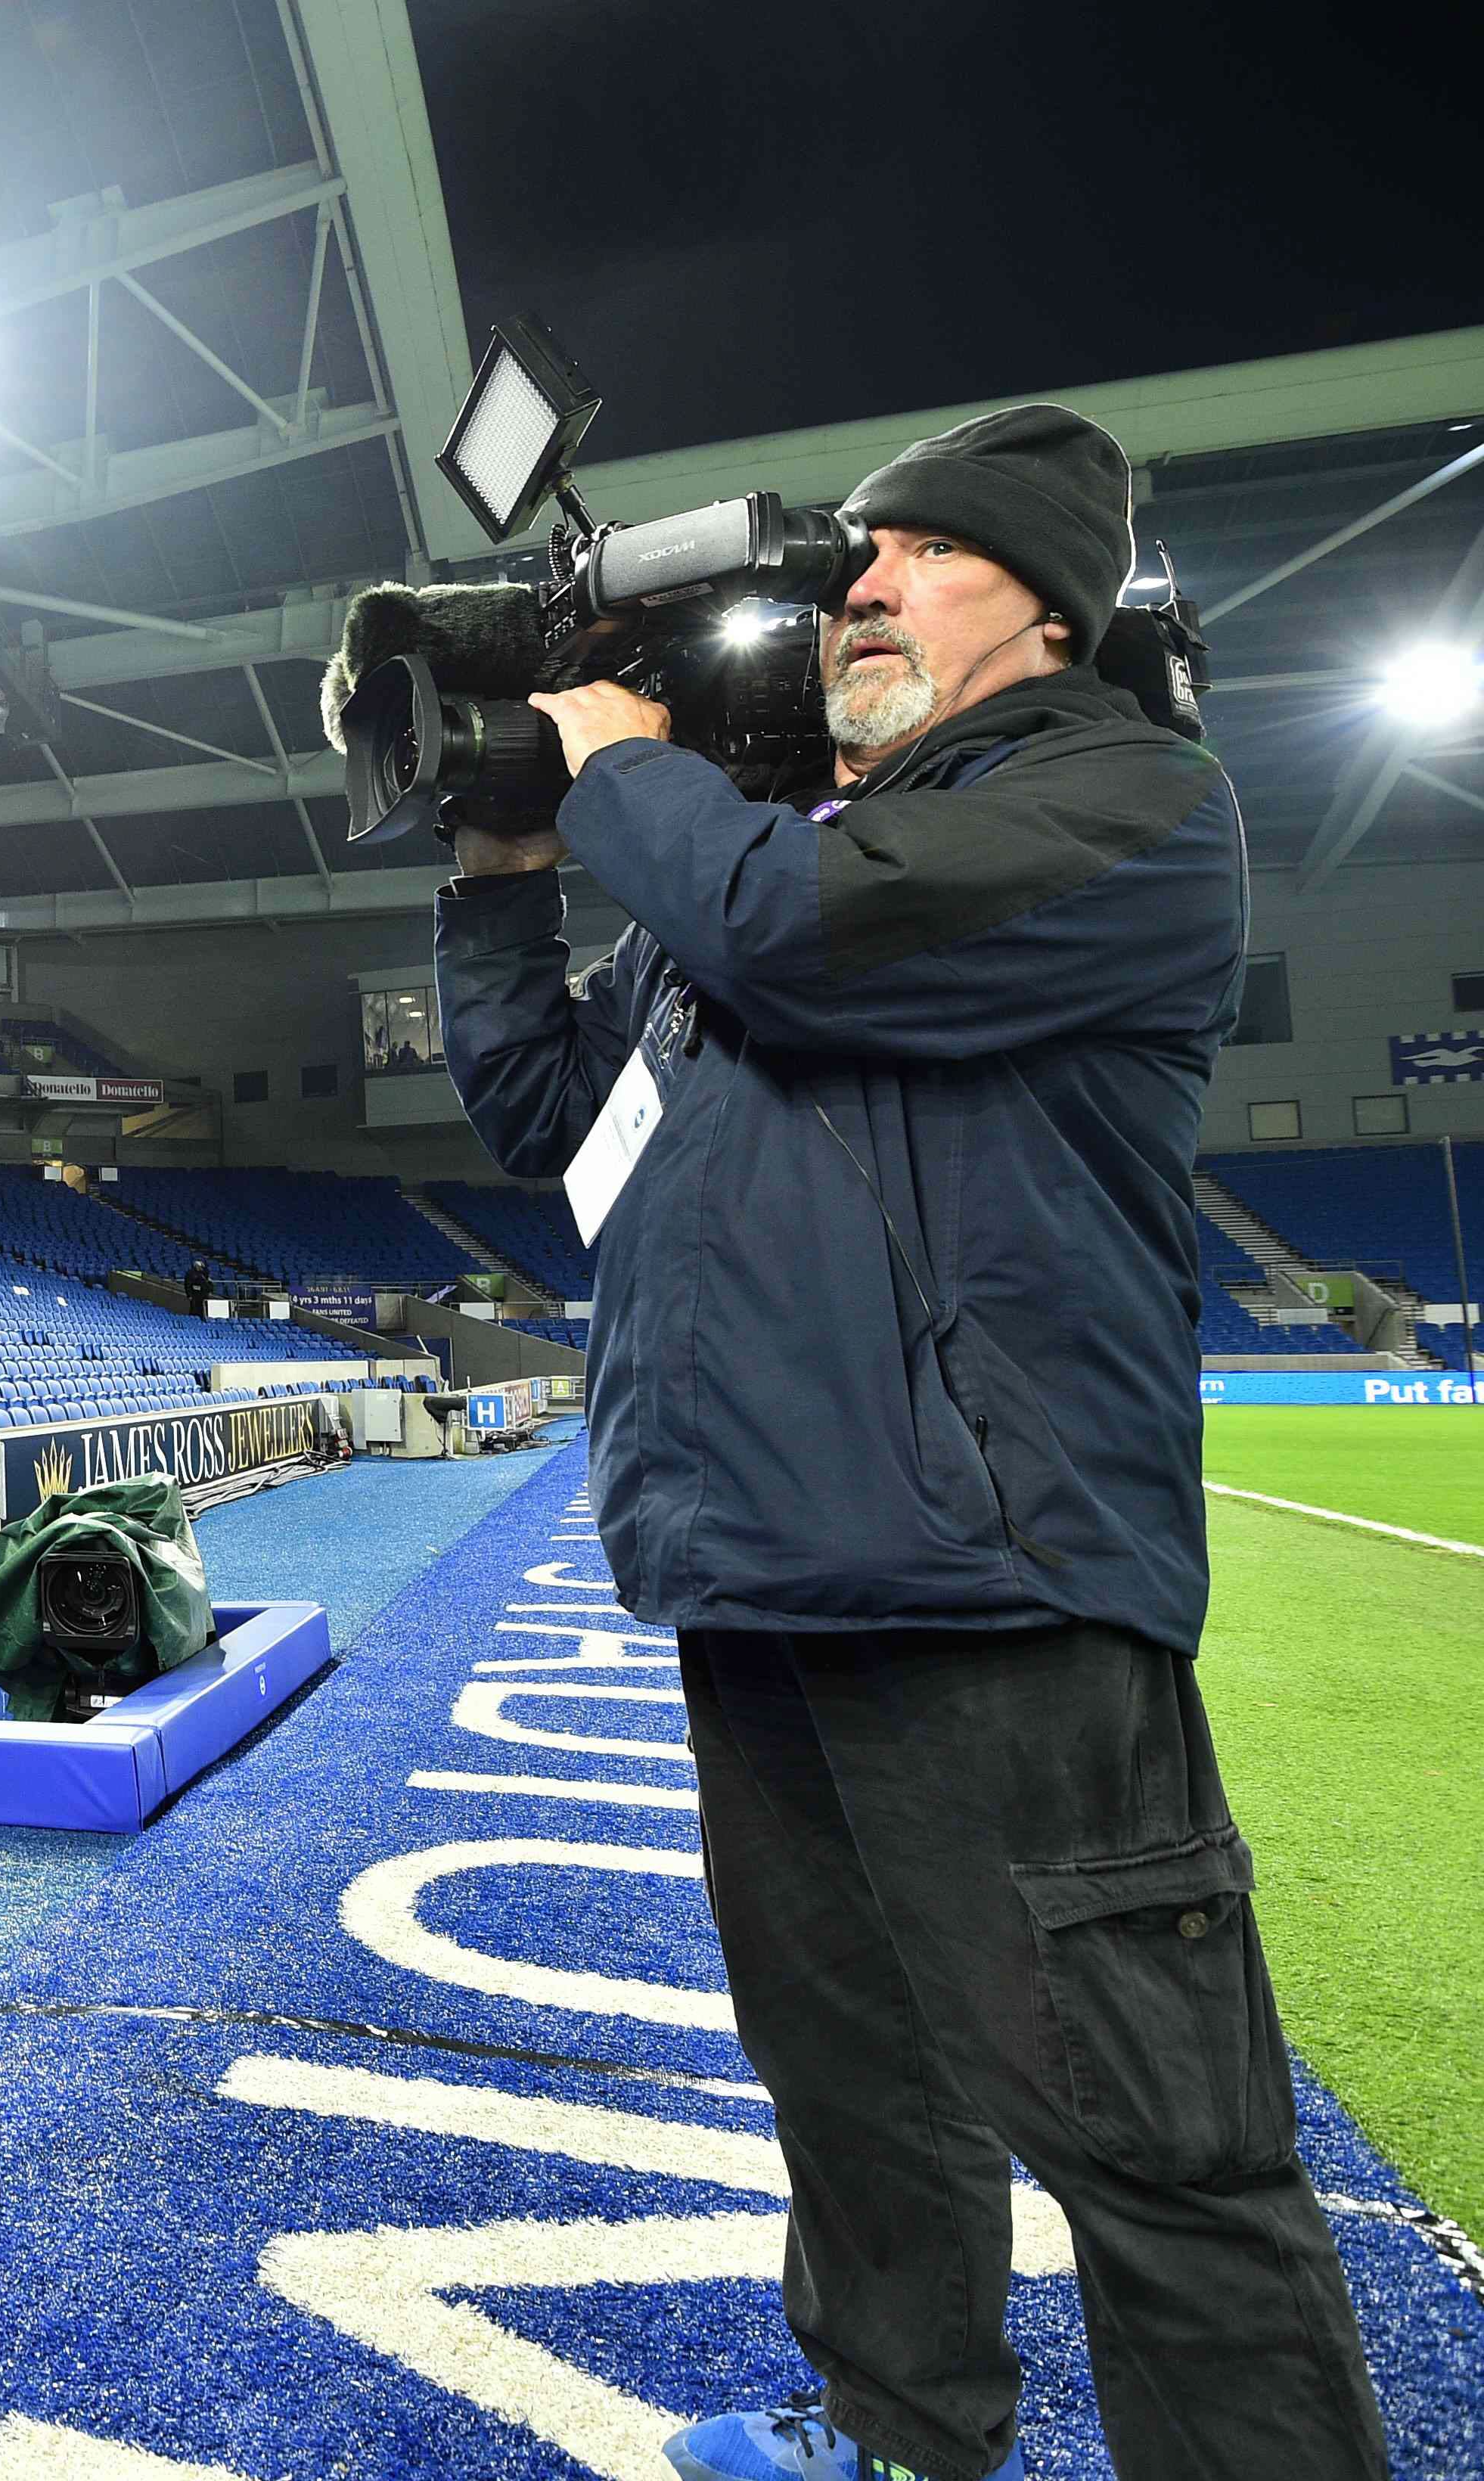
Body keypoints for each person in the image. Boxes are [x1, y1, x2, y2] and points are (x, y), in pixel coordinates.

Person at [430, 406, 1386, 2481]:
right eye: (856, 556)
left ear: (1041, 604)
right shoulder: (772, 865)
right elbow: (551, 1135)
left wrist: (622, 759)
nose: (861, 583)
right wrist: (506, 858)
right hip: (759, 1575)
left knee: (1155, 2145)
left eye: (920, 554)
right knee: (848, 2081)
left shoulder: (1121, 802)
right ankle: (899, 2434)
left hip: (997, 1589)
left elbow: (800, 940)